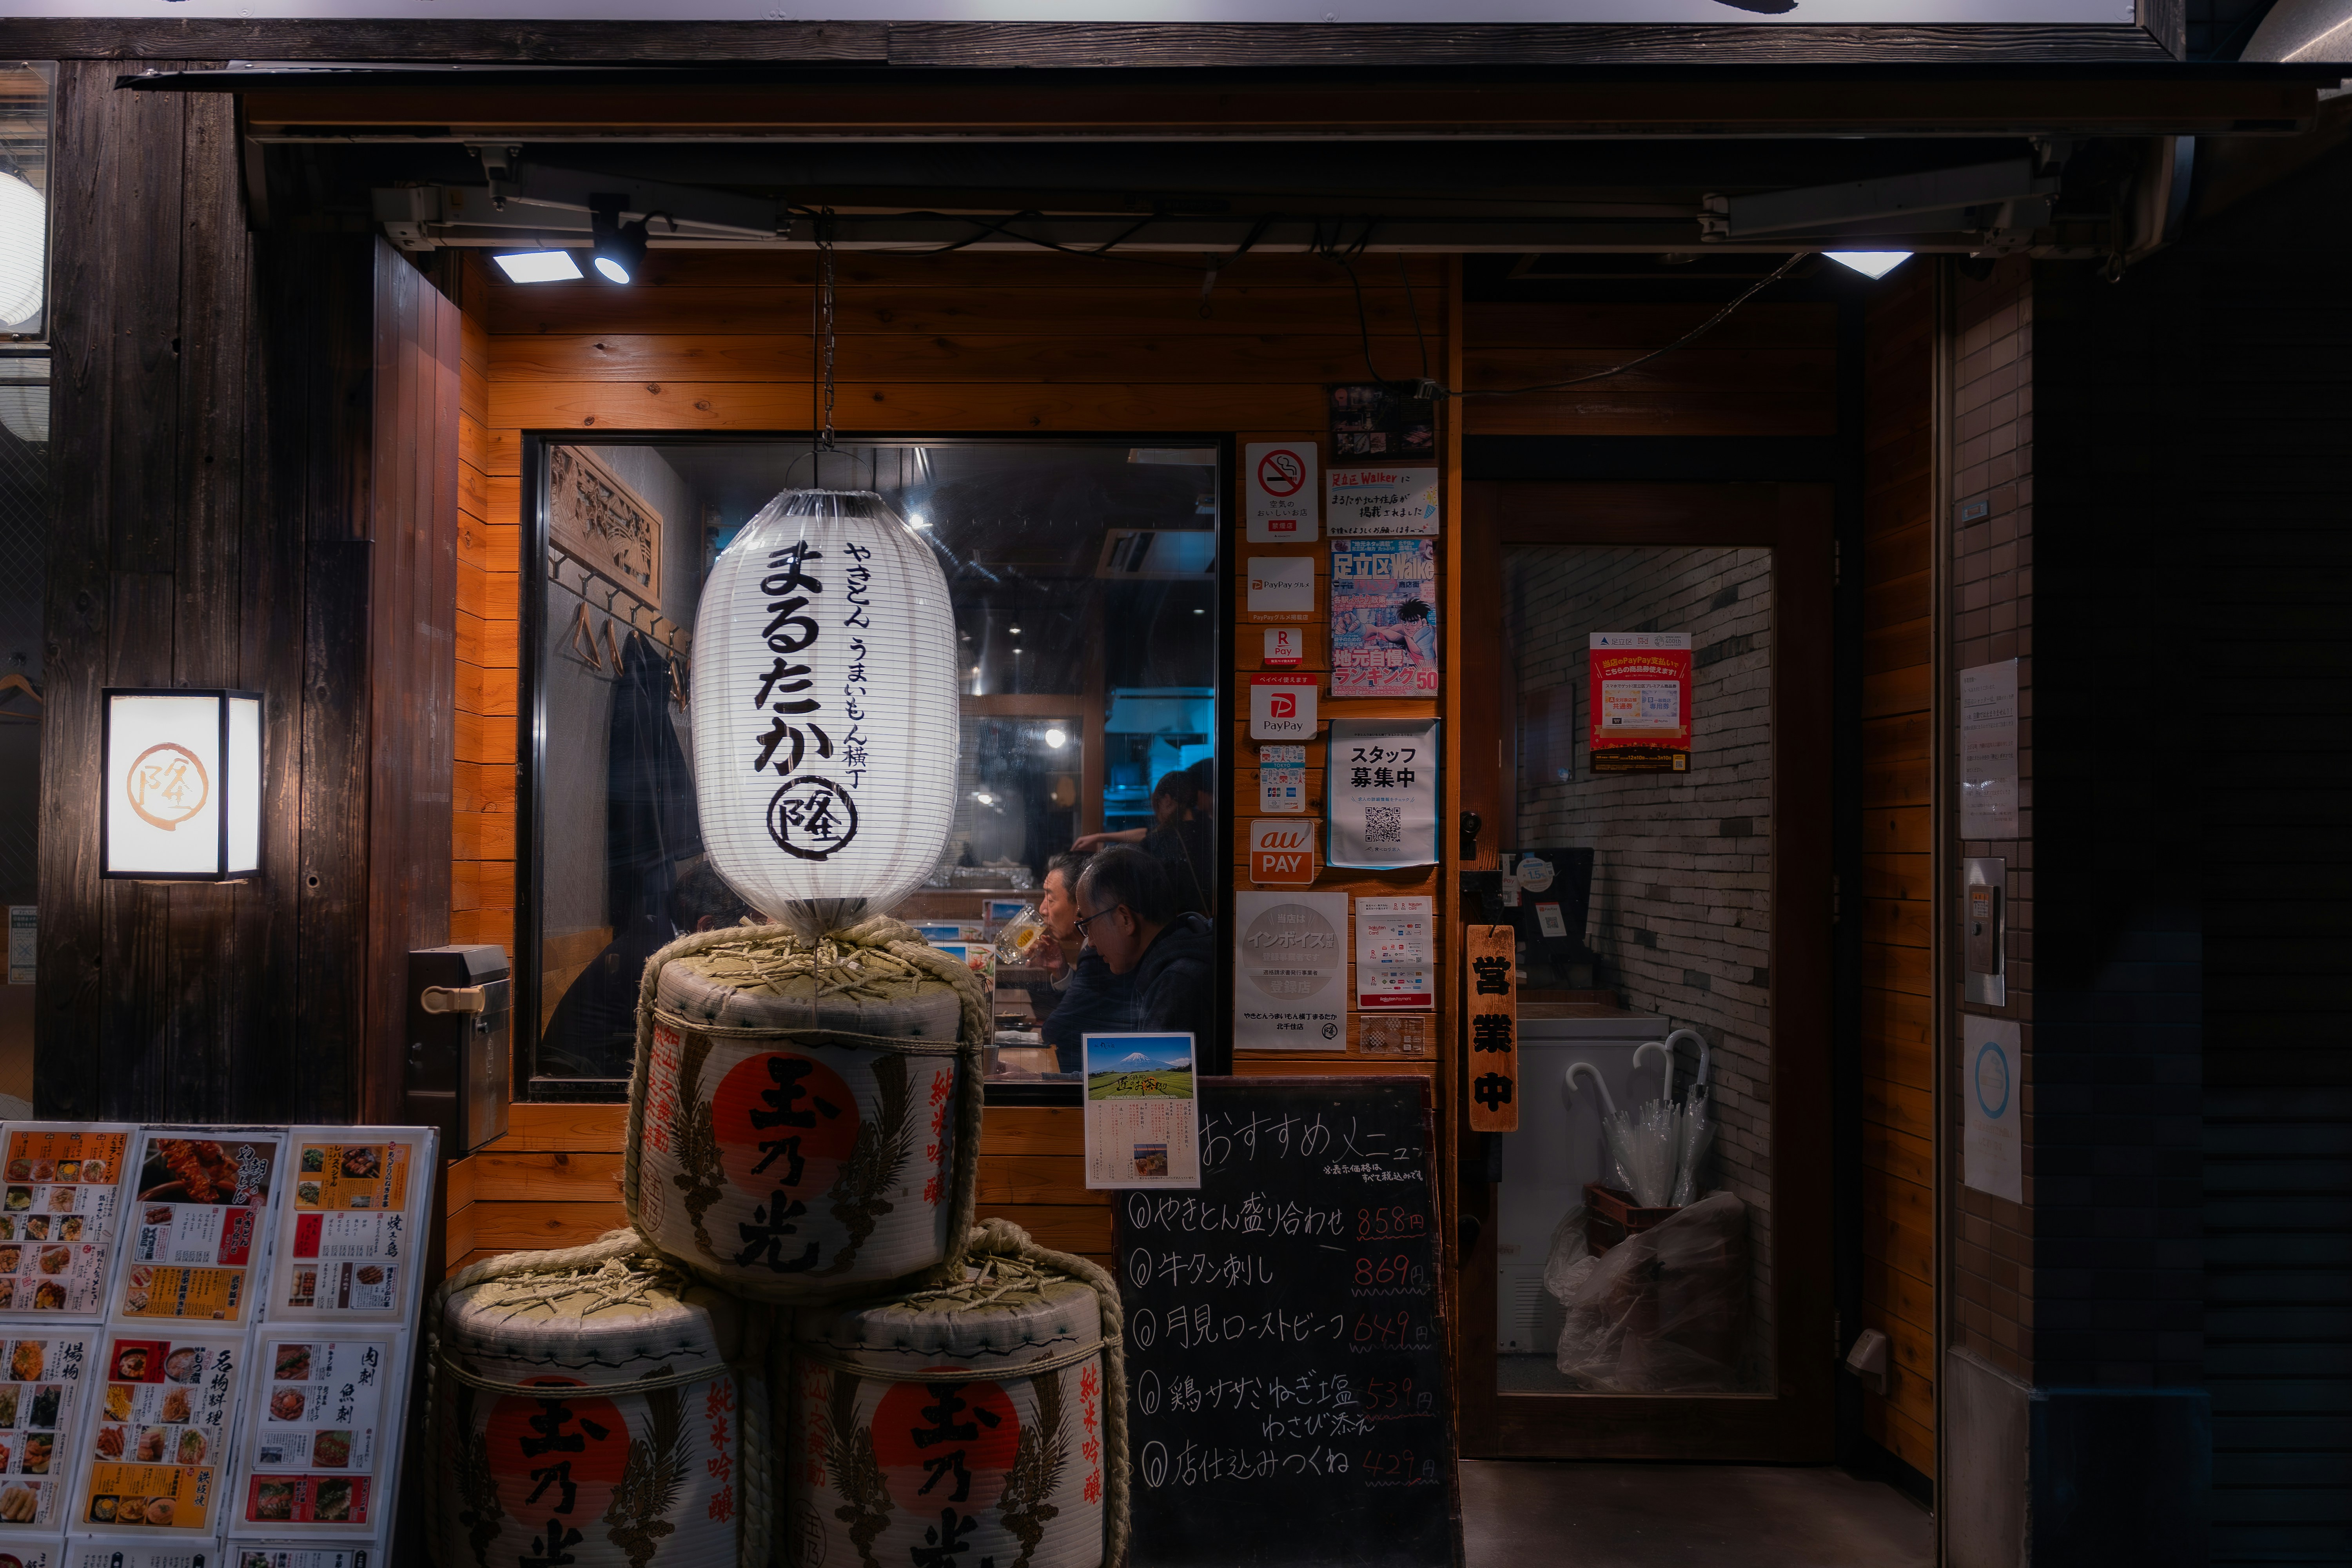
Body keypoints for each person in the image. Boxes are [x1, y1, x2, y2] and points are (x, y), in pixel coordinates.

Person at [540, 858, 757, 1079]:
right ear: (706, 926)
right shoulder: (654, 955)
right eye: (740, 928)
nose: (742, 936)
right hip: (581, 1073)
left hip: (599, 1058)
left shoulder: (661, 931)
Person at [1074, 846, 1216, 1047]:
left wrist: (1043, 1078)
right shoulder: (1169, 958)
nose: (1091, 942)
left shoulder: (1178, 981)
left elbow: (1153, 1075)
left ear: (1125, 919)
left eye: (1088, 924)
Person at [1023, 851, 1135, 1075]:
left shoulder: (1100, 951)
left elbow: (1058, 1028)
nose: (1043, 909)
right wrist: (1062, 972)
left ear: (1080, 902)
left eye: (1050, 899)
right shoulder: (1093, 947)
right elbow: (1087, 1009)